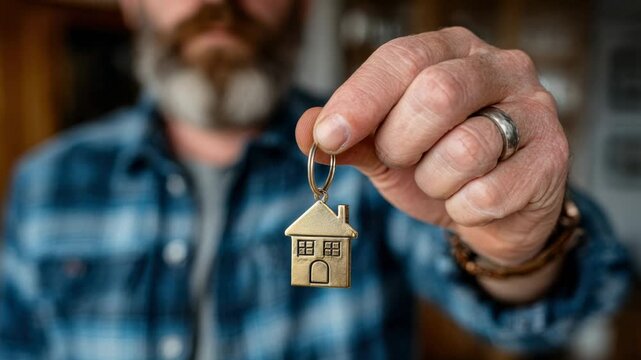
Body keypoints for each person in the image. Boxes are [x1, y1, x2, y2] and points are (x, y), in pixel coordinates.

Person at [0, 0, 631, 359]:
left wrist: (520, 246)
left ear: (300, 9)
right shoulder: (44, 183)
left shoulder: (377, 157)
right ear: (135, 8)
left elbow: (558, 315)